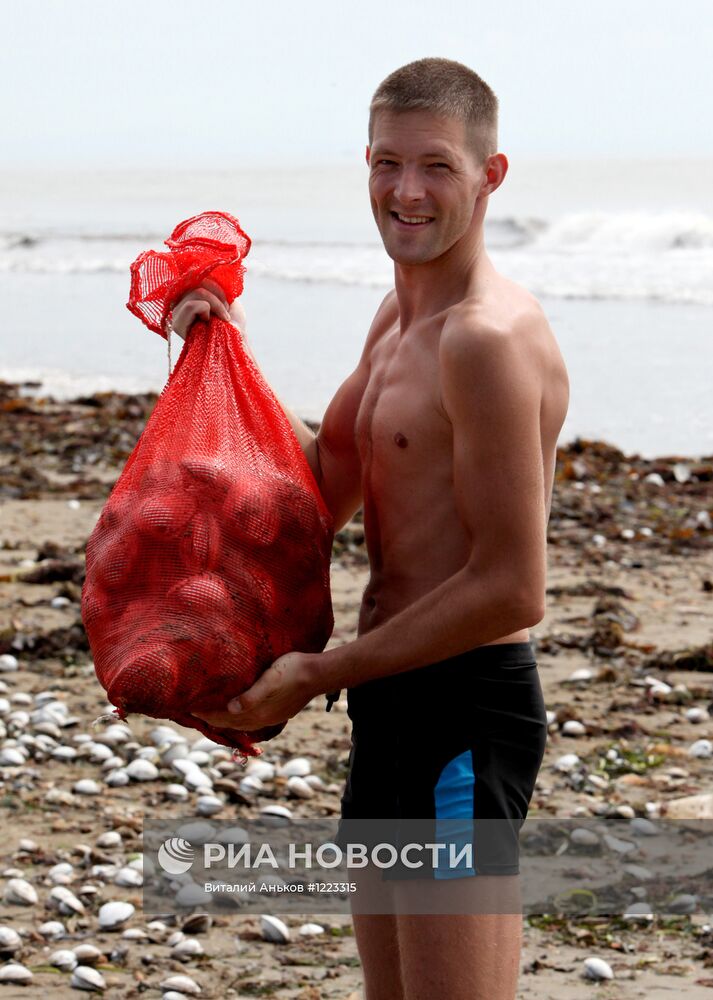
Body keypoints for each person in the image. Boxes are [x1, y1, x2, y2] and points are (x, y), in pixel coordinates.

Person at [176, 56, 570, 1000]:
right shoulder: (398, 318)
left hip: (465, 710)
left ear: (490, 175)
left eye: (436, 165)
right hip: (390, 703)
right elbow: (324, 482)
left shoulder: (485, 340)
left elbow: (514, 586)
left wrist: (319, 671)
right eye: (387, 163)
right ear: (365, 164)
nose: (406, 190)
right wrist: (216, 348)